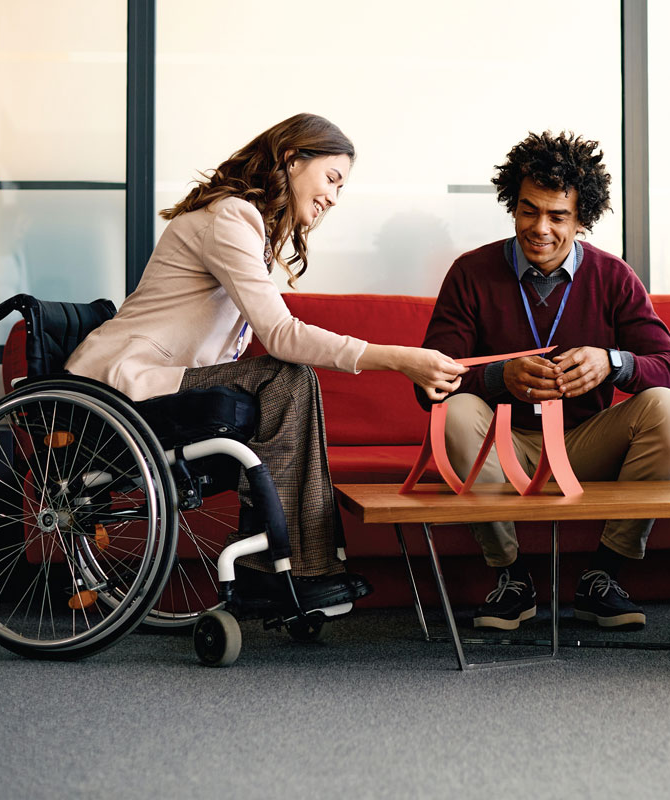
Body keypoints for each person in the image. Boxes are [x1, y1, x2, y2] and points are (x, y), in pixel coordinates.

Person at [66, 112, 467, 611]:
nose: (334, 198)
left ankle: (294, 569)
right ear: (292, 159)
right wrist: (399, 359)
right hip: (124, 384)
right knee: (284, 374)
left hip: (166, 383)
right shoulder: (231, 217)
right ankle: (282, 569)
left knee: (288, 381)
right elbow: (280, 335)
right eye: (331, 179)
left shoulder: (248, 227)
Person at [416, 131, 670, 630]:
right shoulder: (471, 272)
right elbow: (427, 387)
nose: (539, 228)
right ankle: (512, 579)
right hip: (503, 443)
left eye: (557, 216)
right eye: (528, 211)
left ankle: (602, 577)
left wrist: (614, 363)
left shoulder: (614, 276)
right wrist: (500, 377)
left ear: (582, 219)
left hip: (586, 442)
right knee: (453, 412)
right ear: (512, 206)